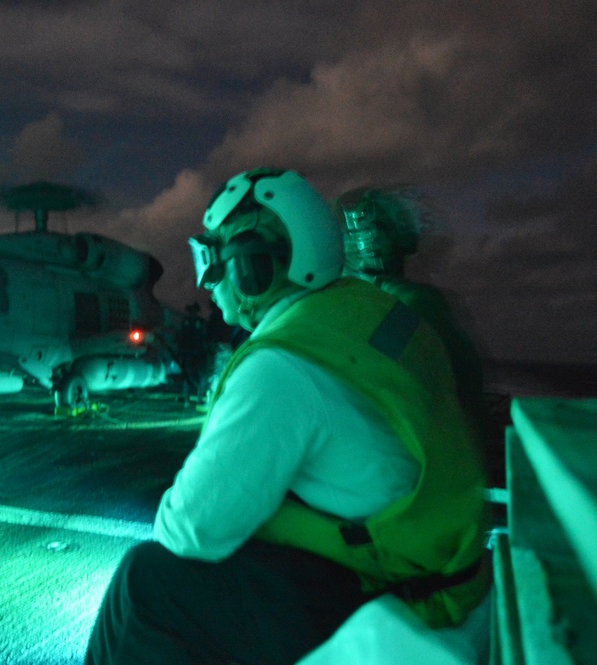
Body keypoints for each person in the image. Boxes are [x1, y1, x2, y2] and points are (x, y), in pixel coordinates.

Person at [84, 168, 489, 665]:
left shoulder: (280, 368)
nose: (208, 281)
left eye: (215, 260)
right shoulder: (365, 311)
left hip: (401, 595)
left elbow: (187, 532)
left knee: (145, 579)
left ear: (251, 268)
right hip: (445, 570)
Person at [336, 185, 488, 445]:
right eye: (356, 231)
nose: (366, 239)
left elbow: (370, 370)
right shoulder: (381, 301)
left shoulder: (415, 303)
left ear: (400, 237)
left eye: (378, 228)